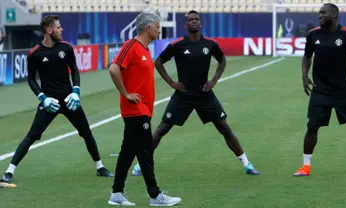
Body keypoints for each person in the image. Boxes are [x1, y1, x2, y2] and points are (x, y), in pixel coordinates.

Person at [131, 10, 260, 176]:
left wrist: (213, 80)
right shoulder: (177, 45)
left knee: (224, 128)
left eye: (196, 19)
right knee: (162, 129)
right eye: (190, 20)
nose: (194, 22)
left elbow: (222, 60)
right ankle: (141, 164)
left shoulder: (210, 44)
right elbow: (158, 62)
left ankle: (247, 164)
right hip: (183, 96)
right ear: (185, 25)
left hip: (204, 95)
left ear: (201, 23)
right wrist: (171, 82)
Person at [0, 15, 113, 183]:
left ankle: (100, 167)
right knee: (32, 135)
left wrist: (76, 91)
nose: (62, 30)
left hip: (69, 100)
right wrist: (43, 98)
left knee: (86, 132)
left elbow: (74, 69)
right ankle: (9, 171)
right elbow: (31, 79)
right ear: (49, 30)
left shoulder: (66, 48)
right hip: (49, 103)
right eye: (59, 27)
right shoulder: (34, 53)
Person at [107, 12, 181, 206]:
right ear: (148, 28)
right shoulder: (131, 46)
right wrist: (126, 94)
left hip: (143, 110)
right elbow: (113, 69)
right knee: (146, 151)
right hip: (135, 111)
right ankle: (155, 195)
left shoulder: (145, 49)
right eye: (157, 26)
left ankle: (116, 193)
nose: (159, 29)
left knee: (127, 152)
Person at [294, 3, 346, 176]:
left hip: (344, 91)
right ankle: (305, 167)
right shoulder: (313, 35)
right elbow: (307, 56)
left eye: (324, 13)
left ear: (335, 15)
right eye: (319, 13)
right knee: (312, 127)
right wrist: (304, 75)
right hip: (320, 91)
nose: (320, 16)